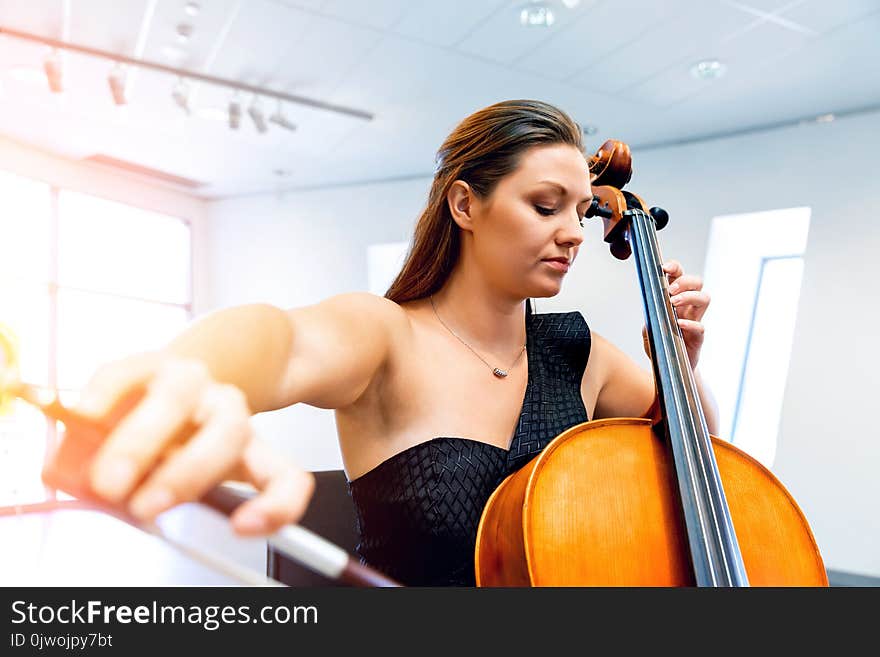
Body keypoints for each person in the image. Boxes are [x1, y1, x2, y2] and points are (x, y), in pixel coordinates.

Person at [74, 99, 717, 586]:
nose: (575, 233)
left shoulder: (583, 355)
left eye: (582, 212)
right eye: (547, 206)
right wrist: (190, 370)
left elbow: (698, 458)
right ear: (466, 206)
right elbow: (282, 340)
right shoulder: (386, 336)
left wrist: (681, 369)